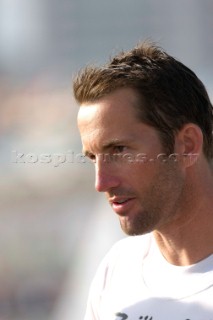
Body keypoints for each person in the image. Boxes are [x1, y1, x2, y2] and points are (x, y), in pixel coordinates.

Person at [73, 41, 213, 320]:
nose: (101, 183)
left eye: (119, 150)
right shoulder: (116, 269)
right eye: (93, 157)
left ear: (186, 145)